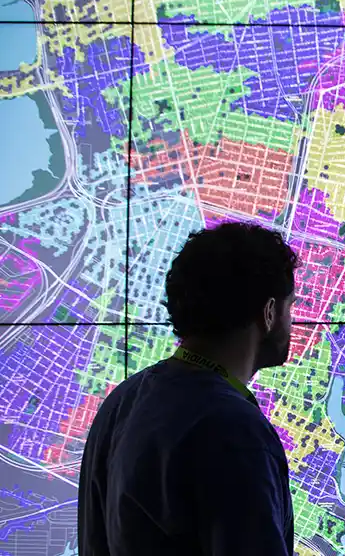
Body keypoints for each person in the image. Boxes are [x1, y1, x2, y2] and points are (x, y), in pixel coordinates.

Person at [78, 222, 299, 556]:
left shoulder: (122, 401)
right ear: (268, 313)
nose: (292, 321)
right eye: (290, 307)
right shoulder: (234, 430)